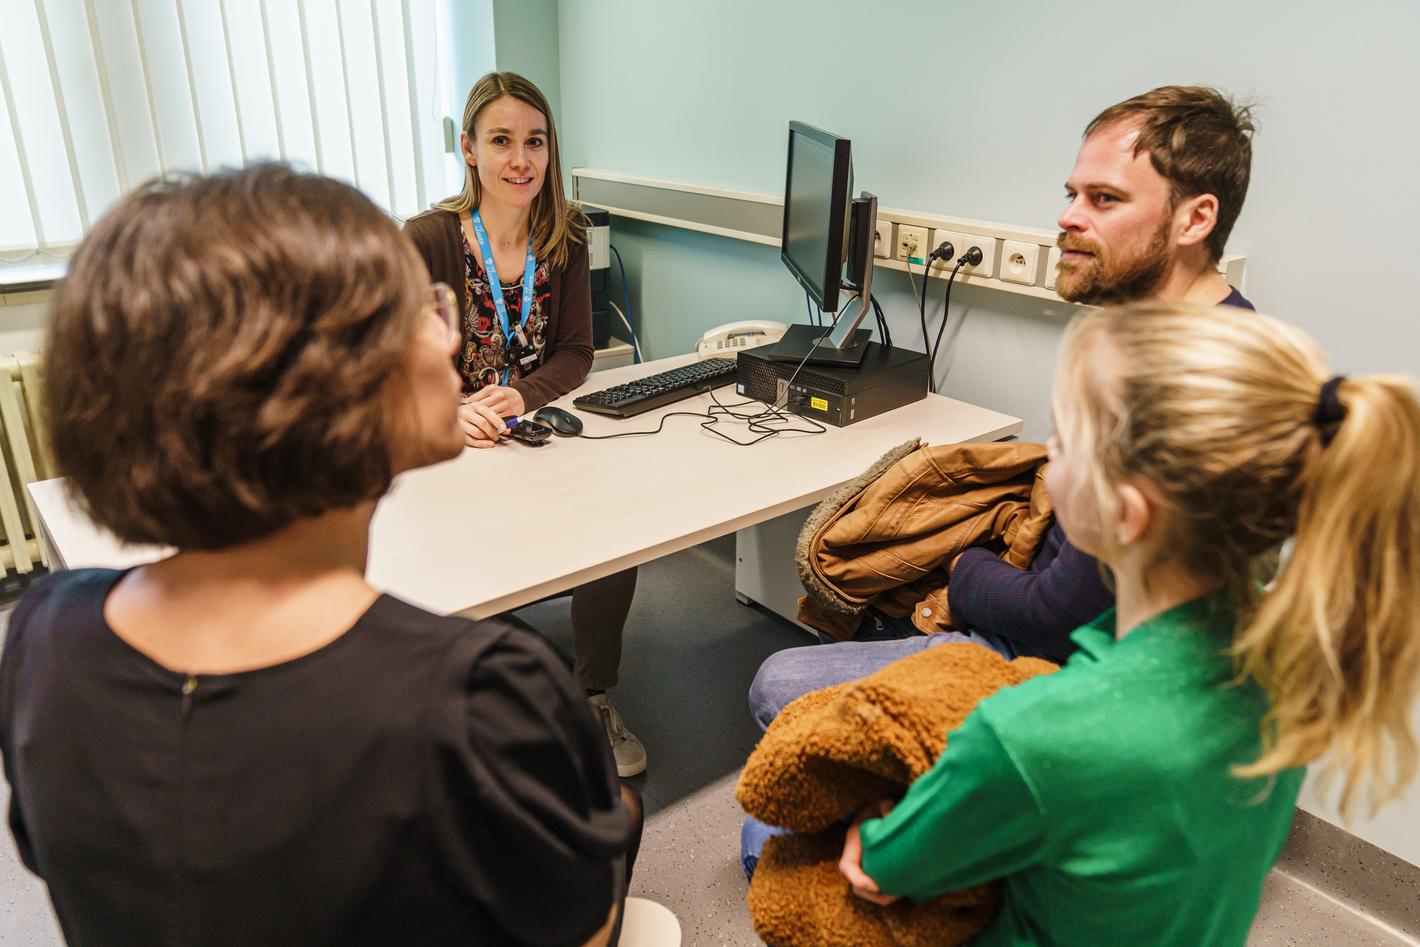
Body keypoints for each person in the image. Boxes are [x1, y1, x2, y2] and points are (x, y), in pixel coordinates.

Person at [0, 165, 639, 946]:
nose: (448, 334)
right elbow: (578, 924)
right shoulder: (484, 696)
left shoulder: (42, 635)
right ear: (307, 382)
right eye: (417, 312)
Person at [837, 301, 1420, 945]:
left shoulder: (1028, 735)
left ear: (1125, 512)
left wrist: (867, 818)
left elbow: (887, 867)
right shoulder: (1294, 660)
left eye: (1062, 442)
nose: (1048, 458)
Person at [747, 85, 1259, 728]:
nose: (1070, 218)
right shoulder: (1198, 329)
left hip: (1062, 665)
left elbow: (1052, 619)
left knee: (780, 684)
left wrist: (963, 570)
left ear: (1195, 220)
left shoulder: (1188, 389)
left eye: (1104, 199)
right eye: (1071, 195)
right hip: (1057, 604)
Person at [403, 72, 645, 777]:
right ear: (468, 149)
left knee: (615, 525)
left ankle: (590, 693)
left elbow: (576, 351)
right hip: (448, 441)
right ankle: (466, 713)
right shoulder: (425, 240)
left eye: (534, 142)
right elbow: (392, 359)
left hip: (526, 429)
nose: (521, 160)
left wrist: (519, 394)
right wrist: (452, 406)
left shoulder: (564, 236)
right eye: (501, 140)